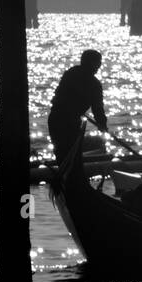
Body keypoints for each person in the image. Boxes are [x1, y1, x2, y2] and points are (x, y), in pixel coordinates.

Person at [48, 50, 107, 195]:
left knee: (67, 155)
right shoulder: (93, 84)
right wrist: (102, 124)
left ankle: (71, 186)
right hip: (64, 121)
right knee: (67, 155)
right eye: (97, 63)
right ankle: (71, 187)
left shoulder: (72, 73)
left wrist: (102, 123)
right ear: (90, 63)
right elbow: (98, 109)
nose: (99, 66)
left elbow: (97, 109)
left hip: (61, 120)